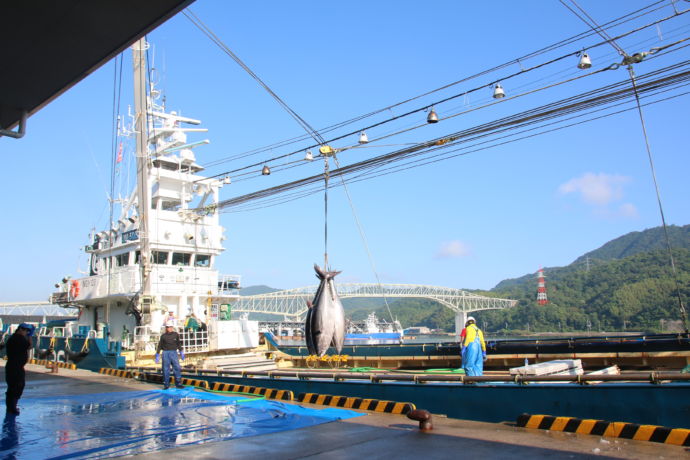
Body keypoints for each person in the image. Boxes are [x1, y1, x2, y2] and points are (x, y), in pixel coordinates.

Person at [5, 323, 35, 415]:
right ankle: (12, 407)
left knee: (12, 387)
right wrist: (30, 336)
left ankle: (11, 407)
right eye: (26, 331)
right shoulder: (18, 339)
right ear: (21, 329)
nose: (26, 333)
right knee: (17, 386)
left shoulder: (13, 338)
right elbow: (29, 346)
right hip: (16, 367)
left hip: (12, 366)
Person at [155, 322, 185, 389]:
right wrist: (157, 354)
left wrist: (181, 352)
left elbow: (178, 344)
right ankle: (166, 385)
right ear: (166, 328)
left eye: (171, 327)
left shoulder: (176, 334)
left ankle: (178, 384)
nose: (170, 328)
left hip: (174, 353)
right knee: (165, 370)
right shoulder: (163, 336)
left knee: (177, 368)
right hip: (165, 353)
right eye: (168, 327)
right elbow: (160, 345)